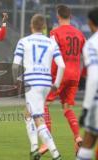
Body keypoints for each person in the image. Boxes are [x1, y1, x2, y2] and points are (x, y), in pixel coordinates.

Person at [13, 14, 65, 160]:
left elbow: (16, 64)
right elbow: (62, 65)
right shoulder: (51, 42)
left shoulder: (24, 41)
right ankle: (34, 148)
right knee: (28, 113)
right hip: (46, 83)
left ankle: (55, 153)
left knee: (38, 118)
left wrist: (16, 79)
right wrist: (56, 84)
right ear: (43, 27)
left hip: (32, 83)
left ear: (31, 25)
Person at [39, 4, 86, 154]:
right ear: (70, 16)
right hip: (75, 75)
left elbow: (52, 55)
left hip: (60, 74)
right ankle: (78, 137)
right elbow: (84, 54)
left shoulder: (55, 32)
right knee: (67, 108)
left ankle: (47, 142)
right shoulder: (80, 34)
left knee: (43, 104)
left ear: (58, 16)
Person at [76, 7, 98, 160]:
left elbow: (94, 77)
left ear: (90, 23)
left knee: (88, 141)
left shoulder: (91, 44)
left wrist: (85, 108)